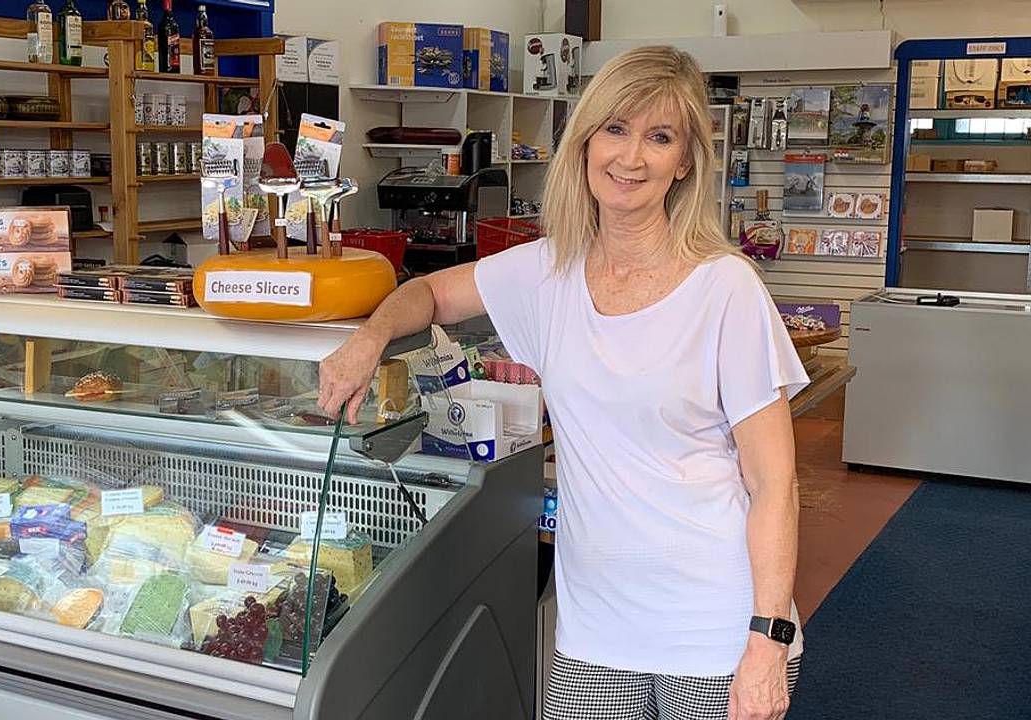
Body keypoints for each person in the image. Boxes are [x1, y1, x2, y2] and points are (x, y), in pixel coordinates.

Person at [318, 45, 807, 720]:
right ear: (583, 143)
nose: (630, 158)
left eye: (658, 137)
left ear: (685, 161)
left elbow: (774, 484)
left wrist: (767, 639)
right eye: (615, 129)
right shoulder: (547, 272)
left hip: (716, 626)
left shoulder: (726, 289)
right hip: (596, 628)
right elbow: (428, 293)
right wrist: (371, 336)